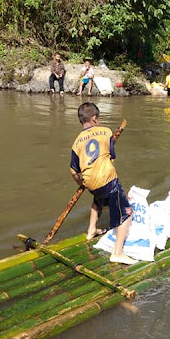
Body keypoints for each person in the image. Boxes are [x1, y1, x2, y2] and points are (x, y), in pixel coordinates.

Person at [70, 102, 137, 265]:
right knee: (127, 213)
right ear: (94, 119)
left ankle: (91, 230)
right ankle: (117, 252)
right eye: (97, 119)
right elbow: (111, 157)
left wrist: (83, 182)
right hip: (107, 180)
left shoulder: (76, 142)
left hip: (90, 182)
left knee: (98, 199)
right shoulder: (106, 132)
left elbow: (73, 171)